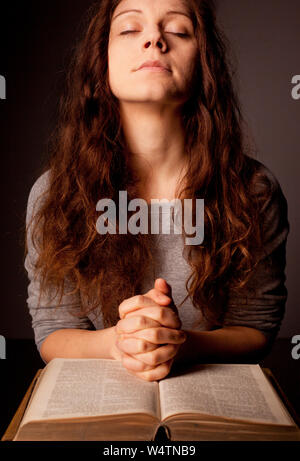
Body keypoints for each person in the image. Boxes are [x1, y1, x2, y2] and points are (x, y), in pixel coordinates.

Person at [24, 0, 289, 382]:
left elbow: (256, 328)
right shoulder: (55, 193)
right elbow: (53, 333)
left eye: (179, 30)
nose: (154, 39)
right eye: (130, 29)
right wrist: (117, 343)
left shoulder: (254, 191)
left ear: (205, 62)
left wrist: (179, 342)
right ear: (103, 59)